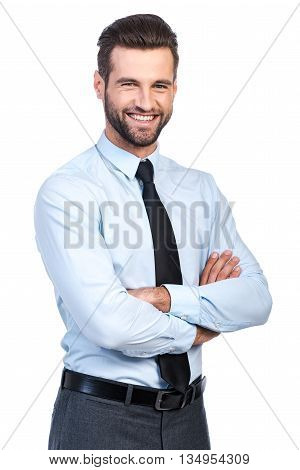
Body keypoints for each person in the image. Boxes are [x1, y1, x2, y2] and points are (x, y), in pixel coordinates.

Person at [34, 13, 273, 450]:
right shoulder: (67, 192)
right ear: (99, 84)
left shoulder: (200, 188)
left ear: (174, 91)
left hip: (189, 419)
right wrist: (203, 326)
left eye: (159, 85)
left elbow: (256, 298)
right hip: (99, 420)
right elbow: (110, 324)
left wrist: (165, 297)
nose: (145, 101)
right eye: (129, 84)